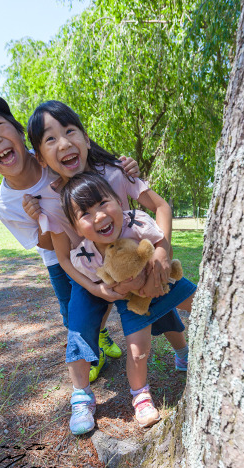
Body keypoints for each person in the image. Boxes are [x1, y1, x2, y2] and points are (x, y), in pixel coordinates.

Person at [26, 100, 196, 434]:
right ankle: (81, 395)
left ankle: (184, 353)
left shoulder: (117, 172)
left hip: (140, 266)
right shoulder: (48, 199)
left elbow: (159, 207)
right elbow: (63, 258)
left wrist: (162, 252)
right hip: (91, 276)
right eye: (50, 139)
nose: (63, 143)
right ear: (40, 156)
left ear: (86, 139)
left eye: (70, 131)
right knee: (79, 328)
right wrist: (96, 289)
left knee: (164, 304)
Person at [0, 92, 136, 380]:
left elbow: (95, 167)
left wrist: (126, 168)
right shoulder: (7, 204)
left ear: (23, 135)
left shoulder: (54, 153)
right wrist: (40, 221)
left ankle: (101, 332)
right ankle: (92, 349)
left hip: (98, 242)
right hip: (59, 260)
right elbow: (43, 242)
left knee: (107, 297)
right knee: (73, 312)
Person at [60, 172, 196, 427]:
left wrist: (159, 257)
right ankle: (141, 397)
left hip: (166, 282)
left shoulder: (138, 221)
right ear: (76, 228)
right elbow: (99, 282)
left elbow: (161, 245)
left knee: (203, 304)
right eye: (85, 214)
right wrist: (117, 288)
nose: (99, 215)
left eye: (103, 203)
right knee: (137, 353)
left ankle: (184, 355)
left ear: (120, 202)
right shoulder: (85, 255)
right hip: (133, 304)